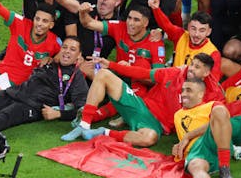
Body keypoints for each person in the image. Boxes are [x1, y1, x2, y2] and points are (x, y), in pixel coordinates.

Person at [61, 53, 223, 147]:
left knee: (149, 138)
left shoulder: (213, 94)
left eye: (197, 67)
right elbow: (141, 73)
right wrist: (111, 64)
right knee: (103, 74)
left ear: (207, 73)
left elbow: (218, 121)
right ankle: (84, 125)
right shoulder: (174, 73)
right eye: (192, 64)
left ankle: (103, 132)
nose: (191, 69)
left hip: (155, 126)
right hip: (141, 108)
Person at [174, 78, 234, 178]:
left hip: (214, 140)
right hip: (197, 151)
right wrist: (179, 145)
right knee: (195, 166)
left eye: (188, 90)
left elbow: (224, 118)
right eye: (183, 90)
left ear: (200, 94)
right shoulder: (177, 114)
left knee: (219, 112)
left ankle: (225, 167)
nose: (184, 94)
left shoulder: (212, 105)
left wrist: (189, 135)